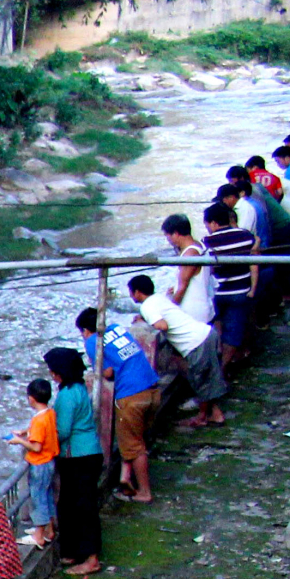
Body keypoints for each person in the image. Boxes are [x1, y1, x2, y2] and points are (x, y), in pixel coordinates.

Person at [77, 306, 160, 503]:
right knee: (136, 439)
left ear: (86, 330)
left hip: (131, 396)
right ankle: (125, 478)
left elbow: (107, 373)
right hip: (152, 388)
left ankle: (144, 492)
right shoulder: (117, 329)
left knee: (134, 446)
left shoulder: (92, 342)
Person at [129, 273, 227, 426]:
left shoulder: (147, 306)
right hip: (207, 333)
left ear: (136, 292)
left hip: (196, 342)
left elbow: (162, 325)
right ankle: (216, 413)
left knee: (200, 380)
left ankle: (202, 418)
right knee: (207, 377)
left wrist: (149, 322)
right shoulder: (159, 298)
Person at [43, 347, 102, 577]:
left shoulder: (67, 395)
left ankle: (91, 557)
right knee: (71, 504)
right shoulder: (78, 388)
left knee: (83, 507)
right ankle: (76, 551)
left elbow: (63, 431)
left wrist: (39, 444)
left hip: (79, 456)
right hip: (86, 454)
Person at [201, 200, 259, 366]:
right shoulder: (246, 235)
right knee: (234, 331)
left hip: (217, 294)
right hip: (241, 291)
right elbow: (254, 259)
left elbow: (208, 270)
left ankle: (220, 365)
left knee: (219, 328)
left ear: (213, 222)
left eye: (207, 224)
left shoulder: (207, 242)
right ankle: (225, 365)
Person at [6, 379, 59, 548]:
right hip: (50, 462)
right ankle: (48, 530)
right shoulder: (49, 413)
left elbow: (36, 446)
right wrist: (25, 432)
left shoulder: (38, 420)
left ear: (31, 399)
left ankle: (38, 535)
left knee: (38, 499)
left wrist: (19, 441)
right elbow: (43, 433)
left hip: (39, 464)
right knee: (47, 495)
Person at [160, 213, 216, 324]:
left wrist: (168, 312)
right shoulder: (200, 246)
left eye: (168, 236)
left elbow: (182, 288)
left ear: (175, 234)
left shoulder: (189, 254)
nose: (168, 240)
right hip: (203, 306)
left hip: (193, 313)